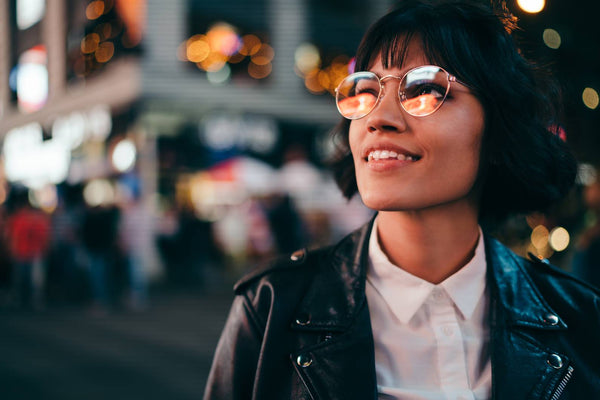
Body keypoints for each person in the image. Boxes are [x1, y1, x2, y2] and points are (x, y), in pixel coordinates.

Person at [204, 1, 600, 399]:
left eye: (425, 89)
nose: (378, 116)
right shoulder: (271, 308)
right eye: (366, 90)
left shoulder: (581, 318)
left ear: (498, 128)